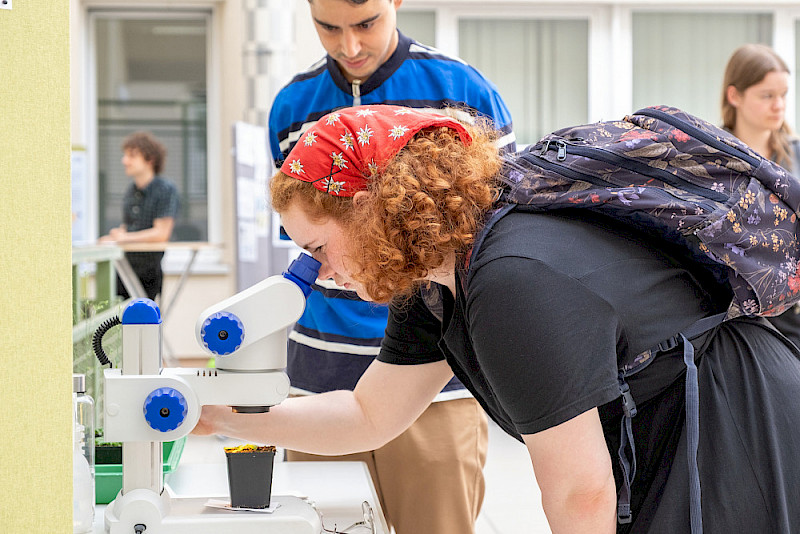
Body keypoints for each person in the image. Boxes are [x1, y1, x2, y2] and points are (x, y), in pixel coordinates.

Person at [196, 105, 800, 533]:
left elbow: (579, 494)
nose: (317, 272)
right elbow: (368, 415)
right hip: (683, 426)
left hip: (738, 422)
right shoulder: (432, 279)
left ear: (370, 212)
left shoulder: (508, 280)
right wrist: (219, 413)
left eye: (318, 247)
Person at [266, 1, 514, 533]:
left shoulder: (464, 91)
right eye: (328, 27)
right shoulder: (291, 106)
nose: (349, 46)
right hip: (322, 372)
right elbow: (305, 234)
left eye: (366, 23)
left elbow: (493, 237)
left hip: (435, 376)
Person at [721, 43, 800, 347]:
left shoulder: (795, 158)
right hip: (727, 317)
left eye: (783, 95)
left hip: (789, 317)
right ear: (734, 95)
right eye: (767, 96)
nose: (779, 105)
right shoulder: (711, 158)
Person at [99, 131, 179, 301]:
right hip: (123, 268)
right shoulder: (130, 191)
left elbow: (161, 234)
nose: (125, 161)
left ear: (150, 160)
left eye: (132, 156)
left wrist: (123, 237)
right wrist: (114, 236)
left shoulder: (165, 190)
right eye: (125, 155)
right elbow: (129, 227)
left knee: (143, 323)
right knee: (115, 321)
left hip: (148, 272)